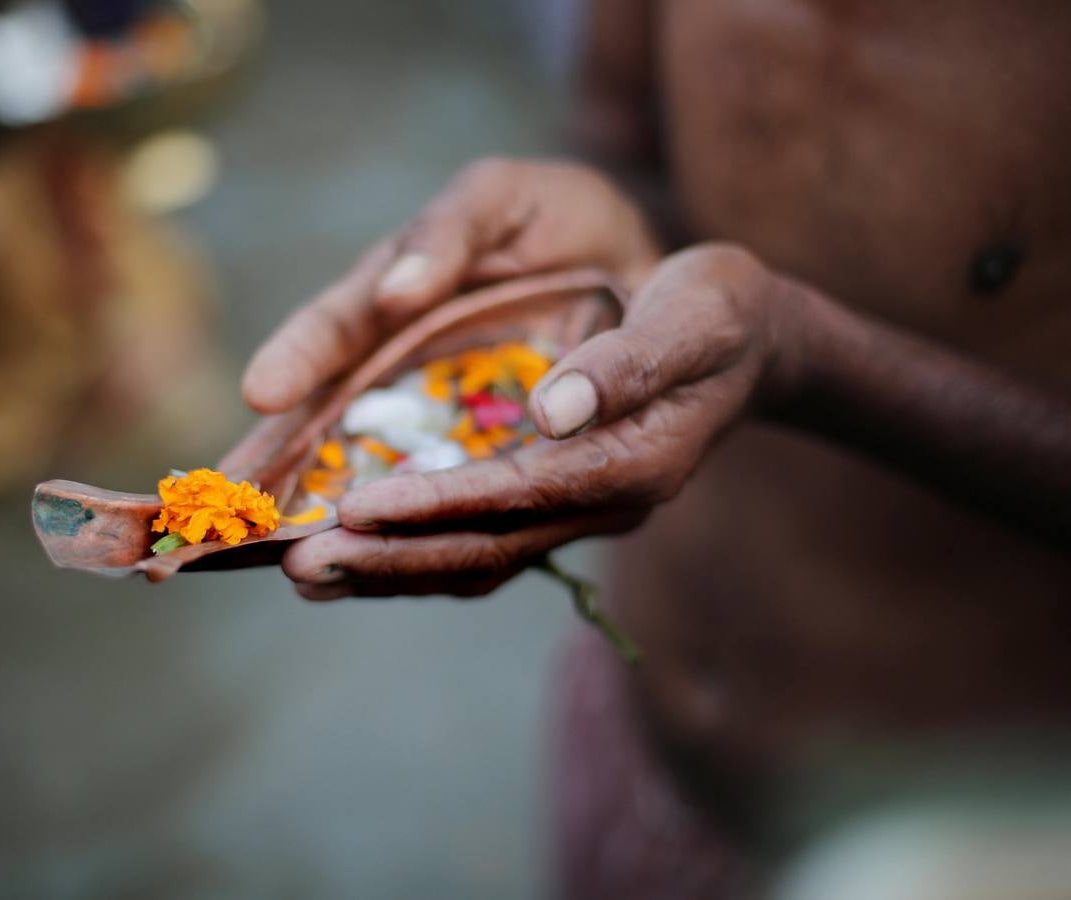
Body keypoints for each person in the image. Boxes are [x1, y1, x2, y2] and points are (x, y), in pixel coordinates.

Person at [240, 1, 1071, 896]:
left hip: (970, 810)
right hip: (646, 715)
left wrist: (805, 356)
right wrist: (581, 236)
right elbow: (621, 148)